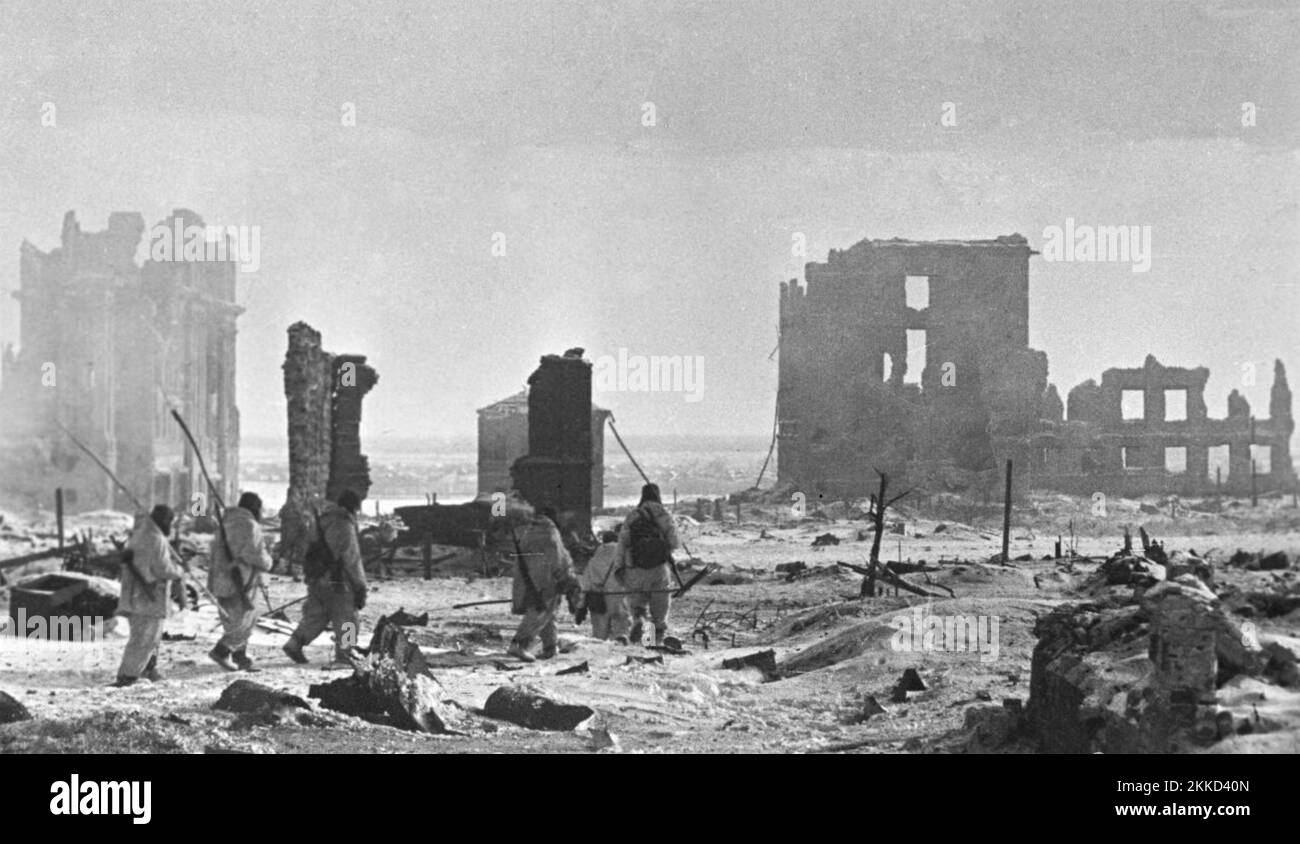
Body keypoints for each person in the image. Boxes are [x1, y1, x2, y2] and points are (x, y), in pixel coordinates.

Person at [283, 489, 368, 666]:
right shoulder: (345, 526)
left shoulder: (320, 521)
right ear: (354, 507)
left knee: (317, 616)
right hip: (339, 582)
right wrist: (360, 585)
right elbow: (351, 559)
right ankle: (345, 653)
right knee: (348, 619)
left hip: (317, 578)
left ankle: (295, 643)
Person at [114, 505, 185, 687]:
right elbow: (162, 569)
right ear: (163, 520)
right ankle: (128, 676)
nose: (171, 525)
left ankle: (146, 669)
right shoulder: (155, 538)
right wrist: (179, 571)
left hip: (136, 594)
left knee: (146, 636)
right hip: (149, 595)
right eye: (170, 521)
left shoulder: (140, 534)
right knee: (145, 638)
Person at [207, 492, 274, 671]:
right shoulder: (250, 525)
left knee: (233, 618)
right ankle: (222, 650)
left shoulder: (225, 523)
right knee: (245, 621)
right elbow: (255, 554)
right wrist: (269, 562)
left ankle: (240, 656)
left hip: (221, 579)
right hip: (243, 580)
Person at [506, 506, 580, 662]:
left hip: (527, 579)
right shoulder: (550, 532)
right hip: (545, 581)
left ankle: (550, 647)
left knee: (548, 613)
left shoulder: (528, 531)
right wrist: (566, 579)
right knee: (539, 612)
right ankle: (519, 644)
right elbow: (558, 558)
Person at [616, 483, 680, 646]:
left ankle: (640, 620)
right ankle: (653, 641)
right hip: (658, 568)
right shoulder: (664, 514)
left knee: (638, 604)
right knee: (659, 607)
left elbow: (622, 544)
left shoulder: (633, 516)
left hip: (634, 567)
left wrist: (619, 568)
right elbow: (674, 542)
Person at [578, 530, 630, 643]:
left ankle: (600, 654)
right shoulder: (625, 558)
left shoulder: (594, 560)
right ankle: (621, 648)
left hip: (599, 600)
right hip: (621, 598)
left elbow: (585, 585)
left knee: (599, 637)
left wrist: (580, 606)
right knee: (621, 631)